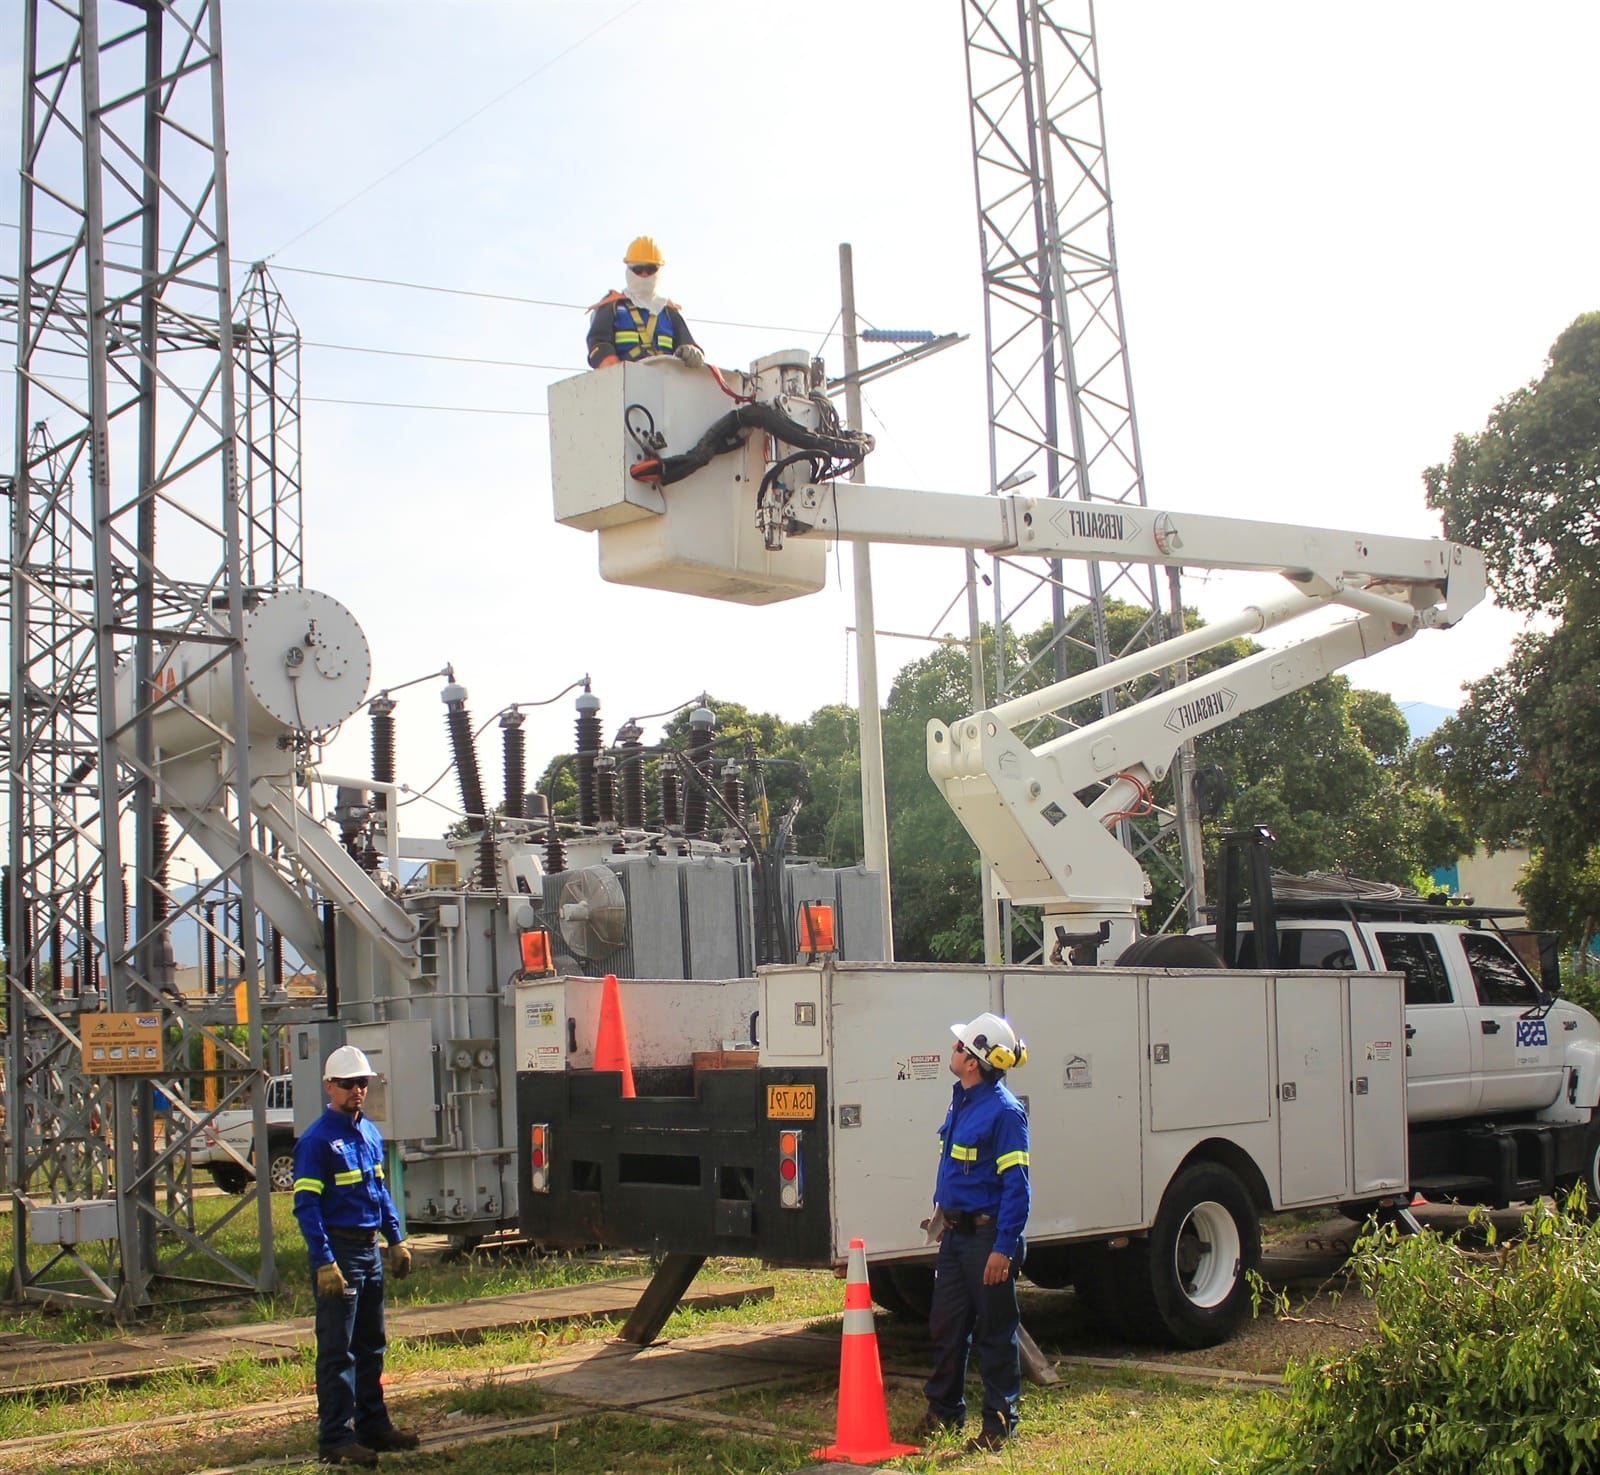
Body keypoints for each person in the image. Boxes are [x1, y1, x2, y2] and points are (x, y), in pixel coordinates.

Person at [293, 1045, 419, 1467]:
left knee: (371, 1345)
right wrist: (323, 1261)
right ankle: (335, 1437)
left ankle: (372, 1426)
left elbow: (379, 1191)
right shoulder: (316, 1141)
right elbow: (306, 1207)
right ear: (329, 1086)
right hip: (340, 1252)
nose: (357, 1090)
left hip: (368, 1250)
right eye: (348, 1084)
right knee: (338, 1350)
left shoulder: (369, 1134)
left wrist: (396, 1238)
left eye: (362, 1082)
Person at [921, 1011, 1031, 1453]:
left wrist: (1003, 1248)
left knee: (995, 1334)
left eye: (959, 1046)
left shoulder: (1004, 1113)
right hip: (956, 1236)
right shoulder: (962, 1100)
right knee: (945, 1327)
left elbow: (1017, 1188)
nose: (952, 1049)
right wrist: (941, 1217)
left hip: (988, 1241)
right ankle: (944, 1411)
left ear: (972, 1061)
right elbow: (955, 1168)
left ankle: (998, 1426)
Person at [586, 235, 705, 370]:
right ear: (628, 269)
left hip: (666, 378)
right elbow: (598, 342)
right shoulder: (611, 306)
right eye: (637, 269)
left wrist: (692, 352)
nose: (644, 274)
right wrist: (613, 370)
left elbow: (689, 344)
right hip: (627, 376)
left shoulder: (669, 312)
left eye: (650, 269)